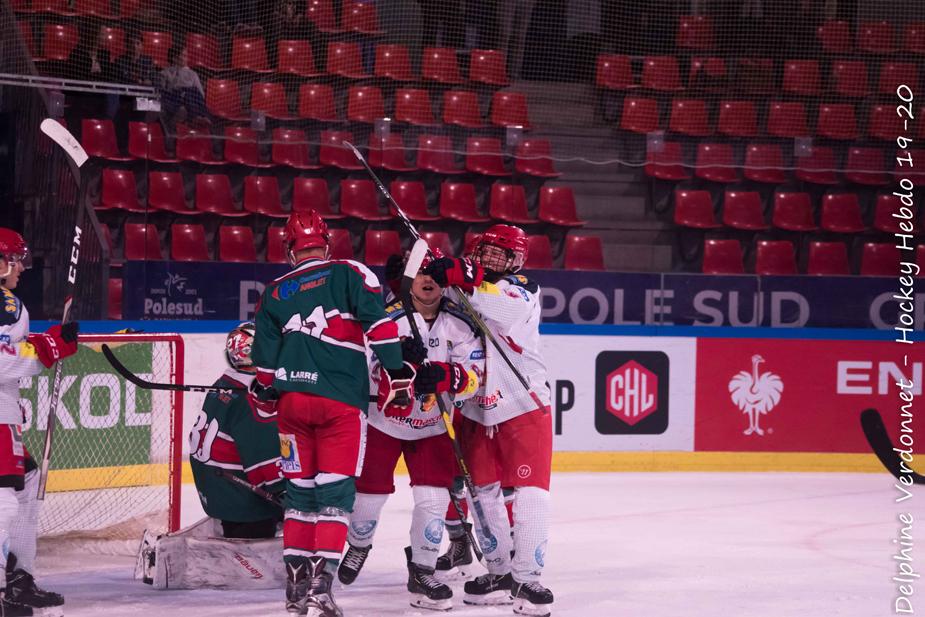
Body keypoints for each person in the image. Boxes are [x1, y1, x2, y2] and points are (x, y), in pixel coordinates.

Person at [251, 210, 417, 617]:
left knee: (299, 495)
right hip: (339, 403)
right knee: (334, 497)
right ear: (325, 243)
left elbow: (264, 370)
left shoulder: (274, 292)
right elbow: (379, 327)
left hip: (293, 407)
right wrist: (397, 372)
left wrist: (267, 390)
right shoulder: (349, 271)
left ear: (289, 248)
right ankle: (320, 589)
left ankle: (294, 591)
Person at [337, 250, 484, 611]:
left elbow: (476, 378)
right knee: (368, 497)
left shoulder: (460, 324)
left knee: (433, 500)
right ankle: (358, 545)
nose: (427, 279)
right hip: (383, 423)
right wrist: (397, 365)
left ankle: (422, 571)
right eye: (418, 272)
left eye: (433, 272)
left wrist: (451, 377)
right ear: (407, 280)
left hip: (433, 426)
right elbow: (362, 368)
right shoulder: (386, 319)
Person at [422, 224, 554, 617]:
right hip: (474, 408)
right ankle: (499, 572)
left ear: (517, 260)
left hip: (523, 404)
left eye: (502, 253)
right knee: (482, 495)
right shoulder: (458, 291)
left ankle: (528, 577)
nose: (493, 258)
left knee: (531, 492)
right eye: (488, 251)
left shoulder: (523, 289)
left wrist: (463, 276)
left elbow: (503, 309)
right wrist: (429, 272)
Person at [137, 322, 286, 589]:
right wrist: (290, 497)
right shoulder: (251, 400)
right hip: (241, 500)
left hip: (216, 491)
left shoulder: (225, 384)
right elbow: (264, 466)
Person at [0, 228, 76, 617]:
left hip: (5, 417)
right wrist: (47, 349)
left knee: (27, 485)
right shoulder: (6, 305)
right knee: (3, 504)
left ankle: (18, 580)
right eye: (15, 261)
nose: (21, 269)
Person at [158, 45, 211, 129]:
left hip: (189, 99)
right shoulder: (165, 73)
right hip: (174, 98)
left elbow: (200, 94)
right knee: (186, 92)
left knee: (192, 91)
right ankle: (197, 117)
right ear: (174, 58)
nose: (186, 58)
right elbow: (162, 92)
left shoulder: (193, 74)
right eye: (183, 55)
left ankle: (199, 117)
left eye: (186, 56)